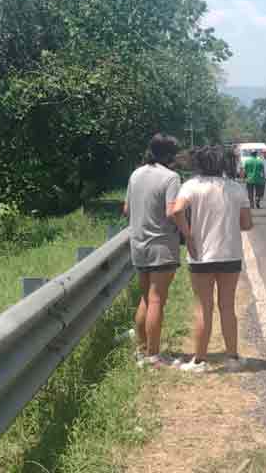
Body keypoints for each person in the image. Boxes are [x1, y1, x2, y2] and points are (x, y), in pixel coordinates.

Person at [169, 145, 253, 373]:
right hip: (230, 254)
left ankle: (200, 360)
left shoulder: (192, 186)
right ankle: (233, 358)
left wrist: (188, 236)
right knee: (227, 306)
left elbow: (176, 211)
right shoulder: (236, 188)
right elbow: (246, 224)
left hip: (201, 256)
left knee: (203, 308)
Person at [123, 133, 181, 368]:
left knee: (146, 299)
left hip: (138, 244)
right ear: (169, 155)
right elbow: (172, 212)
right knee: (157, 300)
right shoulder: (171, 177)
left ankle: (142, 350)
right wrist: (186, 230)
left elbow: (126, 209)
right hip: (161, 245)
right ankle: (154, 356)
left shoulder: (136, 174)